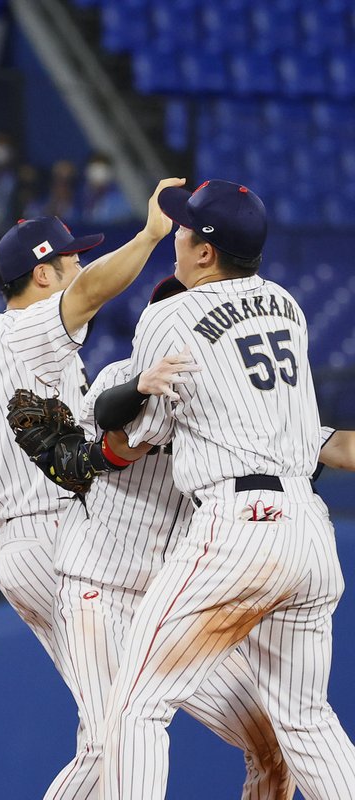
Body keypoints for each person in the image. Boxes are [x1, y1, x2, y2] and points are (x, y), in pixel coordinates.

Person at [100, 180, 355, 799]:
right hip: (309, 531)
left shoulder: (168, 314)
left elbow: (147, 431)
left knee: (133, 701)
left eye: (186, 229)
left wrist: (114, 413)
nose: (178, 236)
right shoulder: (286, 304)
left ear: (206, 251)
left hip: (241, 525)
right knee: (306, 720)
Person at [0, 177, 182, 798]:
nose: (80, 265)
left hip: (28, 539)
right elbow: (88, 293)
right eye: (70, 258)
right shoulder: (30, 326)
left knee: (105, 730)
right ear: (41, 274)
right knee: (118, 726)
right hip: (51, 533)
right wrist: (149, 236)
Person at [36, 275, 294, 799]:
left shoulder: (233, 399)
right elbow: (114, 437)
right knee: (109, 746)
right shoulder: (122, 375)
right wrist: (144, 391)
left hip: (173, 600)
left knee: (273, 740)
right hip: (98, 590)